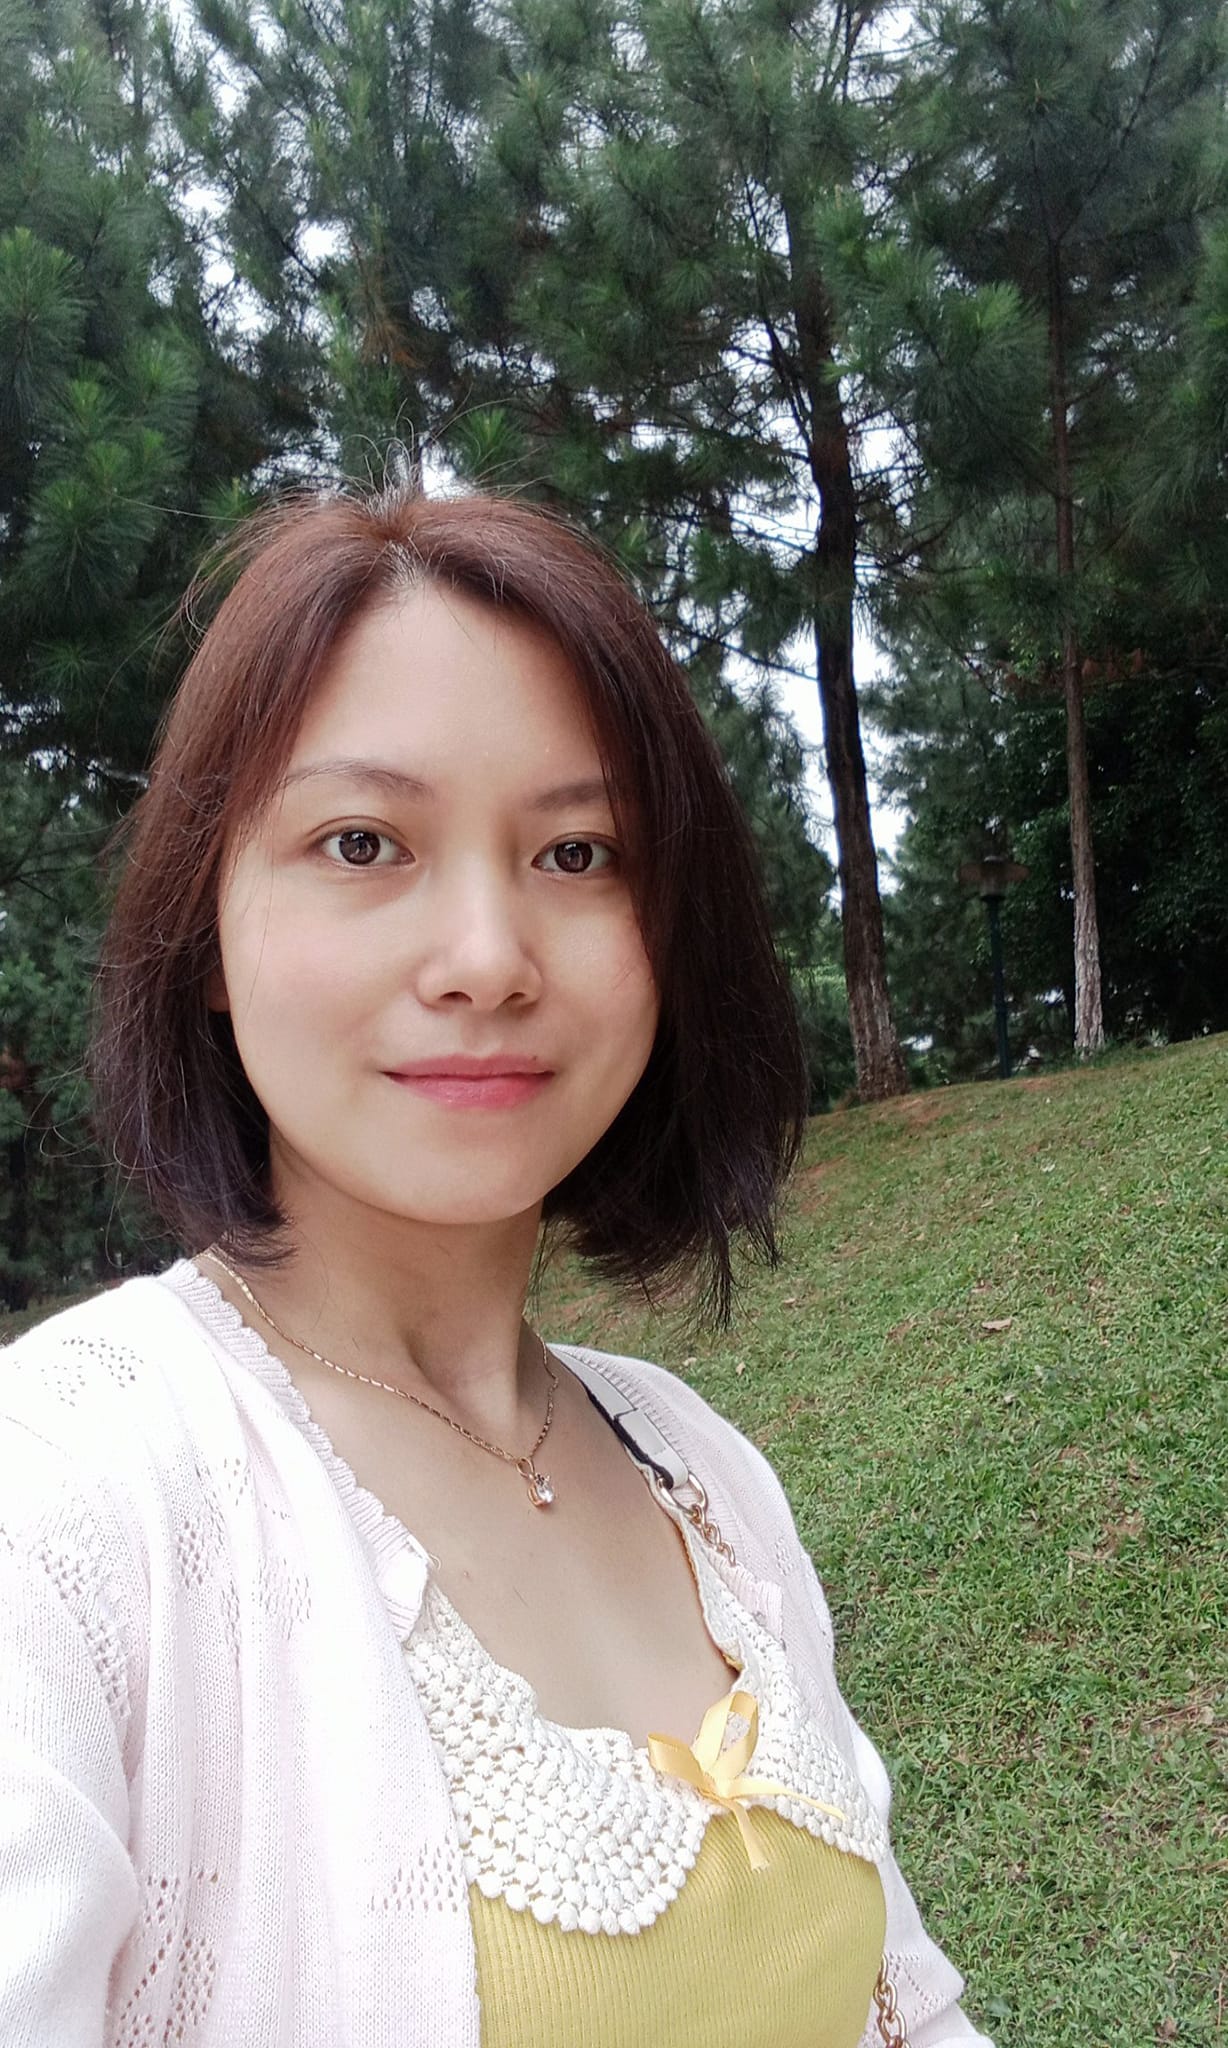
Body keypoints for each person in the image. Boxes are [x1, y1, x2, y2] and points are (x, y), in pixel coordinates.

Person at [0, 484, 993, 2048]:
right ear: (206, 928)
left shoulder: (697, 1467)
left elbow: (905, 2011)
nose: (485, 958)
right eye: (361, 842)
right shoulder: (60, 1499)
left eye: (578, 852)